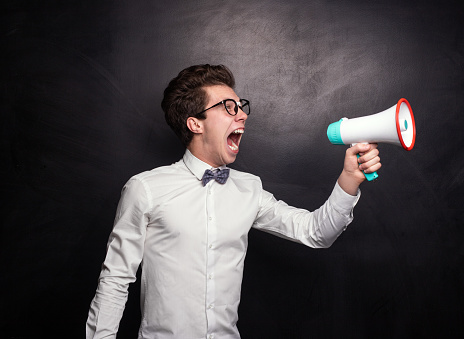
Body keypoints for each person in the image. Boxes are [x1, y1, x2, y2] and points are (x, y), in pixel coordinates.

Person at [86, 64, 381, 339]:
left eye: (241, 107)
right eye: (229, 107)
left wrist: (349, 179)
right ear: (195, 123)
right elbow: (114, 281)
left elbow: (315, 232)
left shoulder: (249, 188)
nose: (242, 114)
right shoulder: (145, 188)